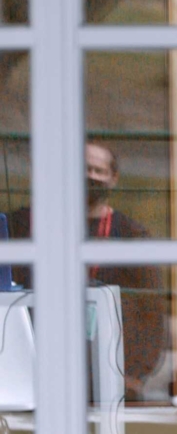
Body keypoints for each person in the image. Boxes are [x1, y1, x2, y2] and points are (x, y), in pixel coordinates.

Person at [8, 141, 168, 402]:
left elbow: (152, 313)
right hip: (33, 372)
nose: (90, 176)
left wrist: (133, 375)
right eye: (83, 168)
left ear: (113, 178)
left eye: (98, 170)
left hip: (108, 377)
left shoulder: (132, 236)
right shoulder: (24, 225)